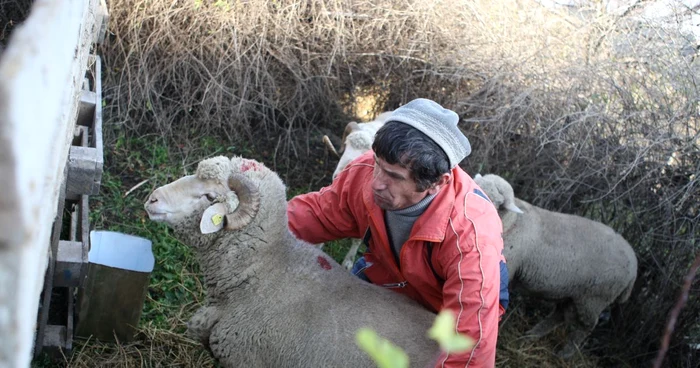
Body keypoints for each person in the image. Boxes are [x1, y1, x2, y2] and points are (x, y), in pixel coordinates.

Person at [287, 98, 506, 367]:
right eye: (378, 163)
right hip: (387, 272)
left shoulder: (470, 235)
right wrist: (256, 227)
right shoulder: (366, 171)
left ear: (437, 182)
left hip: (445, 304)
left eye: (394, 176)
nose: (376, 182)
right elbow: (317, 214)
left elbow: (470, 342)